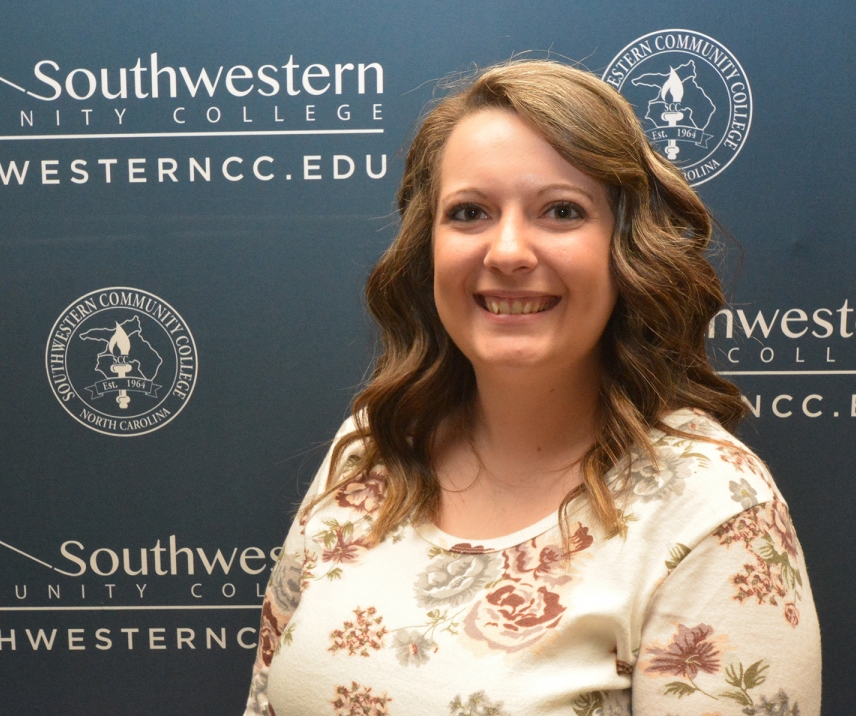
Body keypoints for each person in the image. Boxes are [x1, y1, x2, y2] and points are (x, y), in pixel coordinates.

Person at [244, 60, 820, 716]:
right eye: (470, 213)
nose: (509, 251)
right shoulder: (370, 450)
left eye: (560, 211)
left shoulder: (713, 512)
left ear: (625, 248)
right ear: (426, 248)